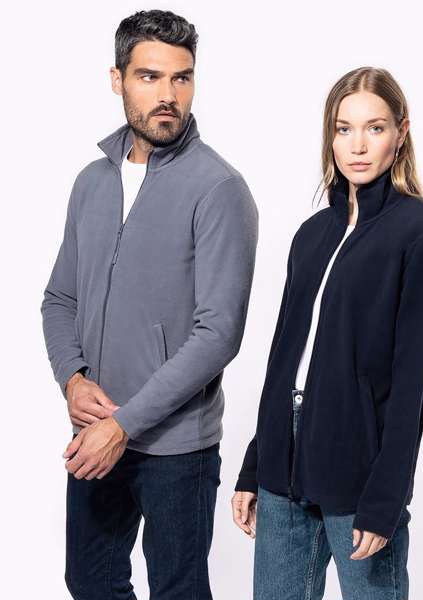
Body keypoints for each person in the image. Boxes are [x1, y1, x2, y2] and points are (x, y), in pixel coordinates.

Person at [40, 9, 258, 600]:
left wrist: (124, 424)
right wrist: (72, 378)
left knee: (178, 591)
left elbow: (219, 333)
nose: (168, 95)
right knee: (90, 581)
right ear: (117, 79)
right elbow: (59, 297)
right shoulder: (92, 182)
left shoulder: (219, 189)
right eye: (150, 76)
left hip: (177, 447)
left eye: (181, 78)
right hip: (95, 431)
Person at [231, 66, 423, 600]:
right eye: (343, 128)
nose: (358, 145)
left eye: (375, 128)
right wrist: (255, 465)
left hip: (359, 470)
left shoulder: (419, 233)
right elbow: (284, 360)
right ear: (329, 135)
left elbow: (411, 381)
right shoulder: (311, 235)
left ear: (401, 132)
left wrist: (386, 496)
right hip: (283, 465)